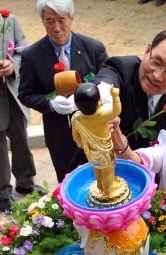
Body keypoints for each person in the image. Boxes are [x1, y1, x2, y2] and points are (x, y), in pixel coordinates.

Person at [18, 0, 108, 183]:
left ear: (72, 18)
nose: (56, 28)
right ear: (42, 21)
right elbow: (25, 94)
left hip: (94, 129)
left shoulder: (93, 48)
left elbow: (108, 79)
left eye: (62, 20)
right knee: (67, 181)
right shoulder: (31, 56)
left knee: (102, 178)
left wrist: (88, 96)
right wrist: (50, 104)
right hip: (58, 134)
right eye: (50, 21)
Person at [89, 30, 166, 151]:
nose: (157, 76)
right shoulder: (122, 68)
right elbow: (106, 78)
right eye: (156, 62)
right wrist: (101, 95)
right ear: (147, 51)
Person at [0, 13, 43, 212]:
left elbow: (22, 51)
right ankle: (2, 192)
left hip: (12, 90)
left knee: (20, 137)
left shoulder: (9, 20)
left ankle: (26, 181)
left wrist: (12, 65)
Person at [72, 83, 121, 196]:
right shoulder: (102, 116)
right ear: (99, 102)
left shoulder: (77, 119)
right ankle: (108, 191)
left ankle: (99, 185)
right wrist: (115, 96)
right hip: (105, 151)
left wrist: (81, 144)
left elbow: (76, 137)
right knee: (108, 171)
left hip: (90, 150)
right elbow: (116, 110)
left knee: (96, 168)